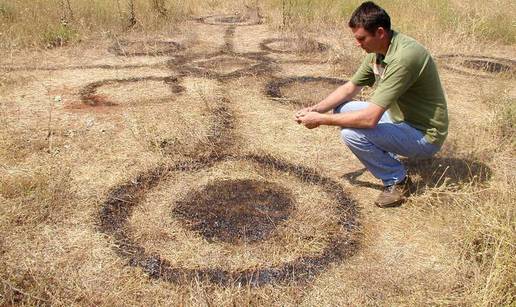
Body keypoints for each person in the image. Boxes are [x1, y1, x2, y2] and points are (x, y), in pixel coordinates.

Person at [295, 1, 448, 208]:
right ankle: (388, 153)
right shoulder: (380, 51)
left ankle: (397, 181)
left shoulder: (403, 58)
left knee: (352, 134)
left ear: (380, 32)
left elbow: (369, 119)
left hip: (424, 134)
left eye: (361, 38)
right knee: (342, 108)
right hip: (400, 119)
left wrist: (321, 120)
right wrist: (315, 109)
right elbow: (349, 88)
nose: (357, 44)